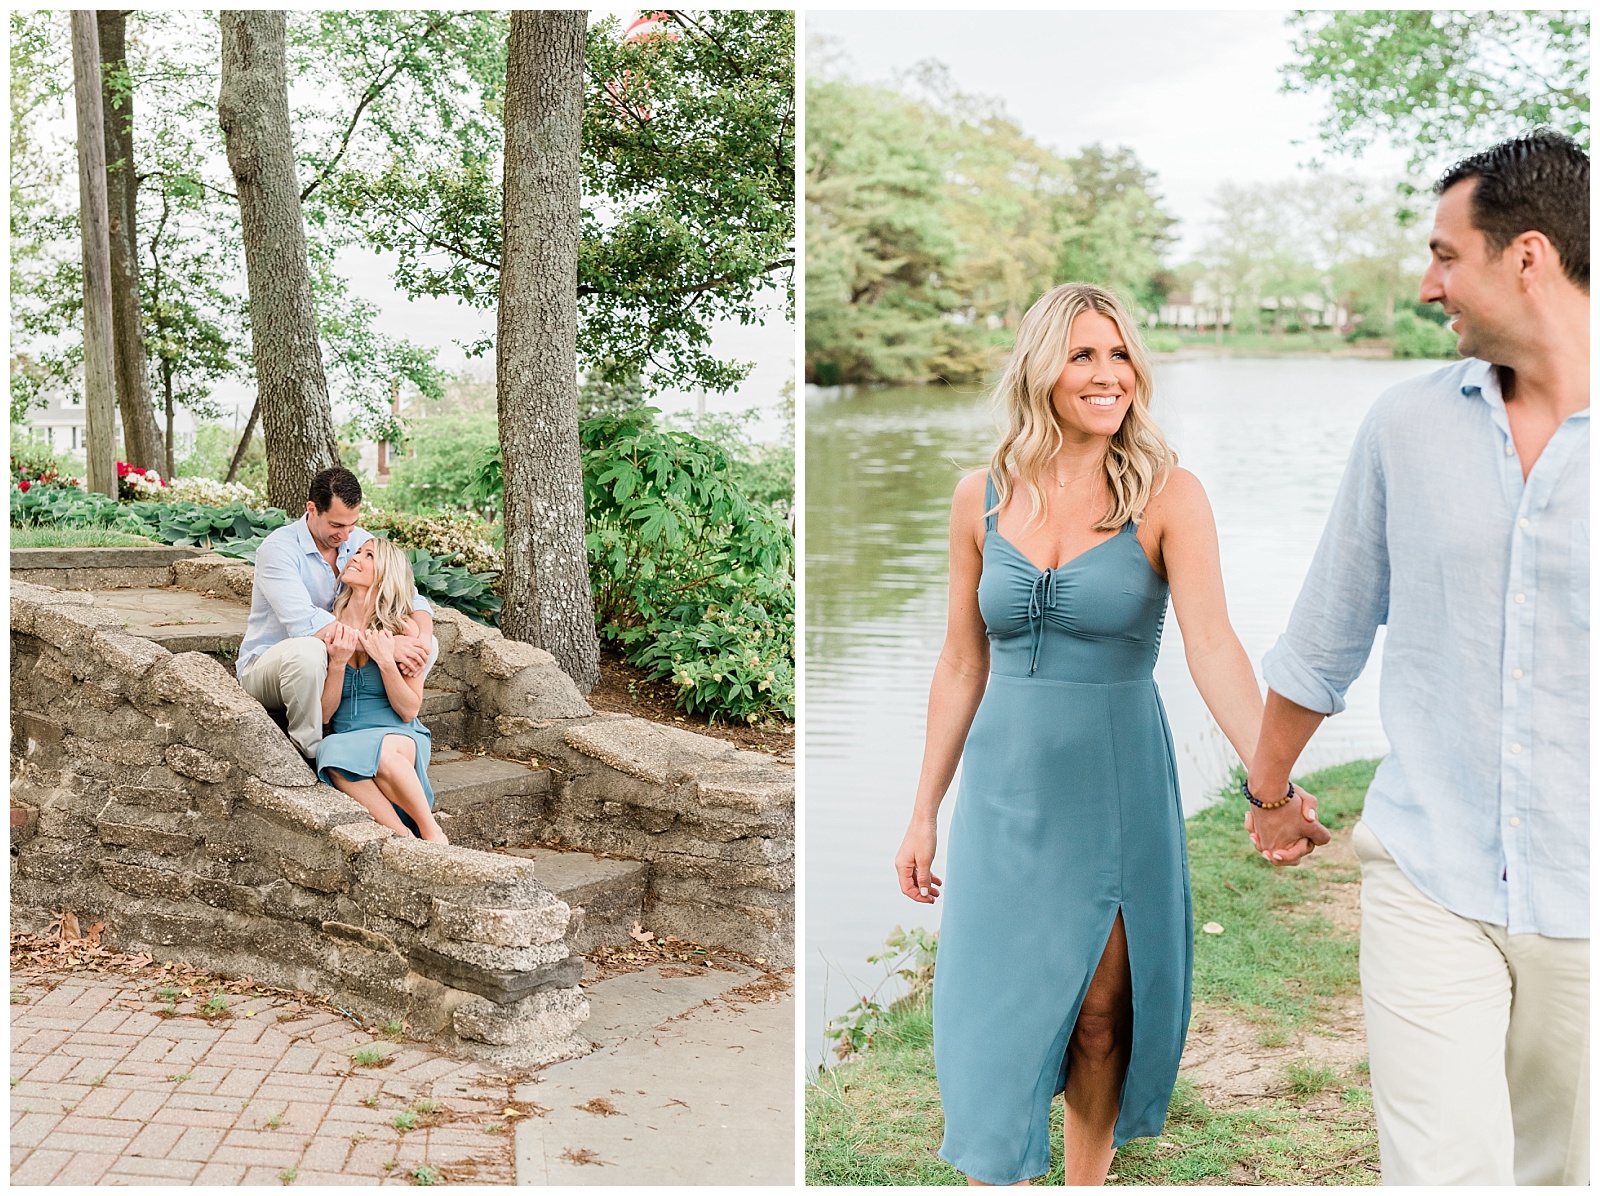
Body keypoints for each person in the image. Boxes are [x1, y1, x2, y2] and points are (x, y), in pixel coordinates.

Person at [894, 282, 1317, 1186]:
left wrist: (1268, 780)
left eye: (1119, 354)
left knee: (1100, 1012)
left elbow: (1213, 647)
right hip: (1004, 792)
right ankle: (992, 1172)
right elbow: (960, 663)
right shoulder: (980, 498)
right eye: (1083, 354)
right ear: (1041, 366)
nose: (1106, 374)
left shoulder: (1170, 495)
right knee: (991, 1011)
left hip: (1114, 785)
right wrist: (922, 811)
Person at [1246, 130, 1588, 1185]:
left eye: (1445, 254)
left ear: (1525, 256)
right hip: (1428, 874)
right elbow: (1326, 629)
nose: (1427, 282)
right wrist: (1266, 788)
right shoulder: (1405, 424)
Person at [237, 466, 434, 759]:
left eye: (352, 525)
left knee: (420, 640)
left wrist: (423, 641)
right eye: (337, 525)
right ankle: (311, 750)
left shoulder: (356, 539)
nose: (346, 535)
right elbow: (305, 625)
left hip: (332, 664)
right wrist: (387, 646)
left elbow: (409, 595)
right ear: (312, 509)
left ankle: (385, 719)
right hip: (270, 665)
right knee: (309, 651)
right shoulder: (278, 550)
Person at [314, 536, 447, 842]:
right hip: (348, 735)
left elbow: (409, 709)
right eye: (358, 552)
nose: (356, 557)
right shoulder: (328, 624)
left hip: (399, 735)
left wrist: (386, 662)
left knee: (385, 754)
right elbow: (323, 716)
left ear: (387, 573)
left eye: (369, 555)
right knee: (329, 751)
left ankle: (430, 829)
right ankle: (402, 836)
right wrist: (337, 665)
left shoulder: (403, 629)